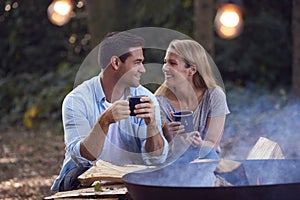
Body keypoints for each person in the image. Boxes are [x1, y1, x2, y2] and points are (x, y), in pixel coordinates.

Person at [51, 31, 168, 192]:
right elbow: (82, 157)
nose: (143, 69)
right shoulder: (77, 100)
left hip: (130, 181)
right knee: (77, 175)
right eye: (137, 62)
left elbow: (156, 159)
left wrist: (152, 126)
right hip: (85, 180)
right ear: (115, 62)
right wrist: (104, 122)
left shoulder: (145, 98)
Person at [155, 39, 229, 164]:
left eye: (172, 63)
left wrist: (198, 143)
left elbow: (212, 144)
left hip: (205, 160)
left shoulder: (214, 96)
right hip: (173, 164)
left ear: (192, 70)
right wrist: (167, 134)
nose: (165, 68)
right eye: (165, 62)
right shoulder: (159, 101)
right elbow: (158, 152)